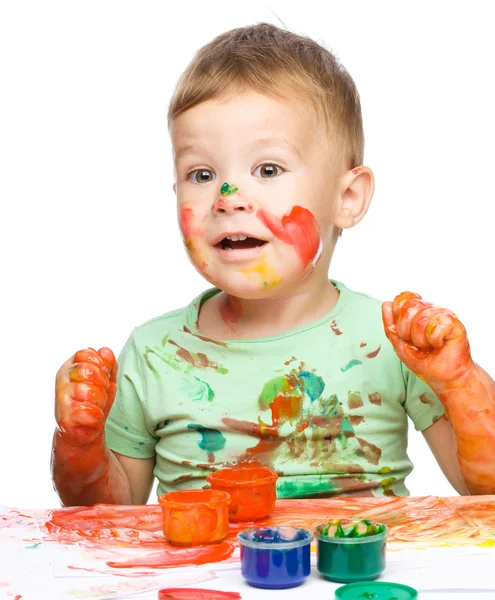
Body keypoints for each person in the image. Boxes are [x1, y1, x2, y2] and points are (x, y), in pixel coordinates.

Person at [51, 23, 495, 507]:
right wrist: (79, 442)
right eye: (202, 174)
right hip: (204, 581)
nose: (227, 197)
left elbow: (485, 490)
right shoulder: (154, 354)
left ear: (347, 198)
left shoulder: (392, 341)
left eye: (267, 169)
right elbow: (106, 516)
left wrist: (460, 381)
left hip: (357, 579)